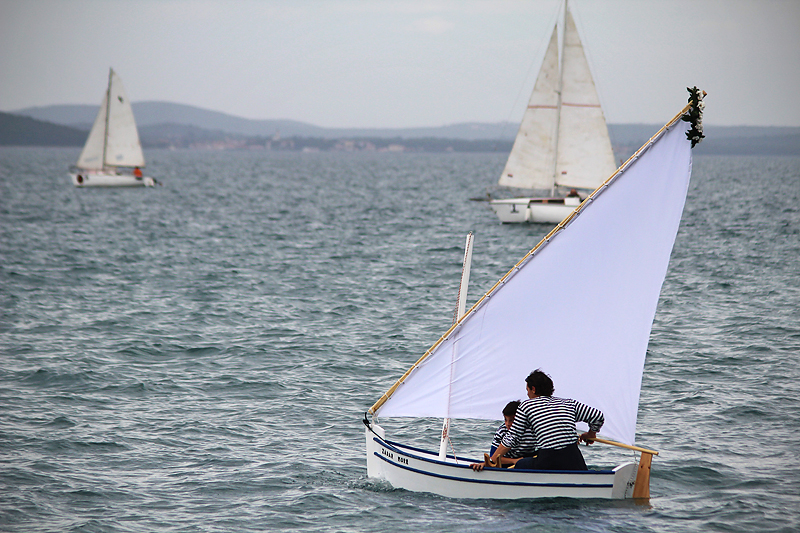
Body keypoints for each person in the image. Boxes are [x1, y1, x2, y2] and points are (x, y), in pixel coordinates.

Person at [488, 369, 603, 471]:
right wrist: (591, 433)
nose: (527, 394)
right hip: (573, 458)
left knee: (521, 464)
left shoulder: (527, 406)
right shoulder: (569, 403)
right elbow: (597, 416)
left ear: (533, 389)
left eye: (527, 390)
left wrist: (491, 461)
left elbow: (512, 437)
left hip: (548, 459)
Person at [471, 400, 536, 471]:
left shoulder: (531, 430)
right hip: (506, 464)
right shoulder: (502, 431)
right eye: (505, 420)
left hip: (528, 464)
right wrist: (514, 461)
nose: (507, 424)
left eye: (511, 420)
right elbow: (493, 457)